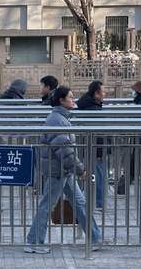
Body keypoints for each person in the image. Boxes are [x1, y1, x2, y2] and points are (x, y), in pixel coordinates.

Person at [25, 86, 101, 254]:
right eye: (71, 97)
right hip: (58, 171)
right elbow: (65, 151)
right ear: (61, 100)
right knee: (47, 205)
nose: (73, 100)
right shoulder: (57, 120)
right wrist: (80, 169)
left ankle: (95, 238)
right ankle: (34, 241)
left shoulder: (60, 118)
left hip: (63, 171)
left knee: (79, 203)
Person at [76, 80, 108, 210]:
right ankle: (98, 202)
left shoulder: (86, 104)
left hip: (86, 146)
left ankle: (89, 200)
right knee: (98, 175)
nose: (105, 94)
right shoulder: (94, 109)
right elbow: (99, 131)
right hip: (96, 147)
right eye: (103, 91)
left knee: (89, 174)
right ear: (96, 94)